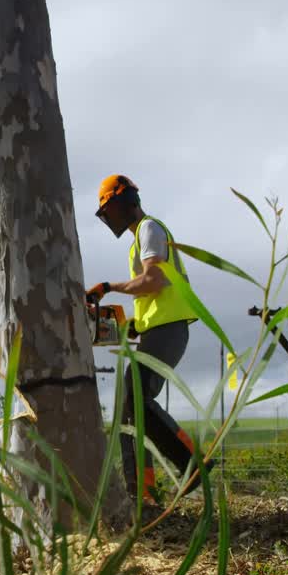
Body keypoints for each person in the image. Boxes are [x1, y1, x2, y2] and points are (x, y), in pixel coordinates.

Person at [86, 174, 203, 503]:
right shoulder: (140, 238)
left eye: (109, 210)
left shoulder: (150, 229)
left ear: (122, 203)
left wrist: (108, 287)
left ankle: (193, 463)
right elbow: (154, 290)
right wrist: (135, 324)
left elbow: (153, 280)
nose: (109, 218)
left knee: (134, 400)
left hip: (170, 327)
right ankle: (144, 493)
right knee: (129, 407)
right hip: (160, 327)